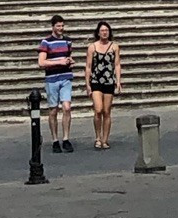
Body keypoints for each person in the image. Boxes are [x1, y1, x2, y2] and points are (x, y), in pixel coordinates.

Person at [38, 14, 75, 152]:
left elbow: (68, 56)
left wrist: (70, 61)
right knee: (53, 110)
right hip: (52, 79)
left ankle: (66, 138)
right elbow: (41, 62)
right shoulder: (46, 42)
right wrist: (59, 62)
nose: (61, 28)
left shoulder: (67, 41)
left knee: (67, 107)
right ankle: (54, 139)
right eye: (58, 26)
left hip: (65, 77)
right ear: (53, 27)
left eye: (62, 26)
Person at [84, 21, 121, 149]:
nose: (104, 32)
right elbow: (88, 67)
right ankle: (97, 137)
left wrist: (118, 81)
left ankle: (105, 139)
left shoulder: (114, 47)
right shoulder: (92, 47)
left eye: (106, 30)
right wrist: (87, 84)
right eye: (102, 30)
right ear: (98, 32)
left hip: (109, 81)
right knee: (98, 109)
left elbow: (116, 64)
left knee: (107, 111)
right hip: (96, 81)